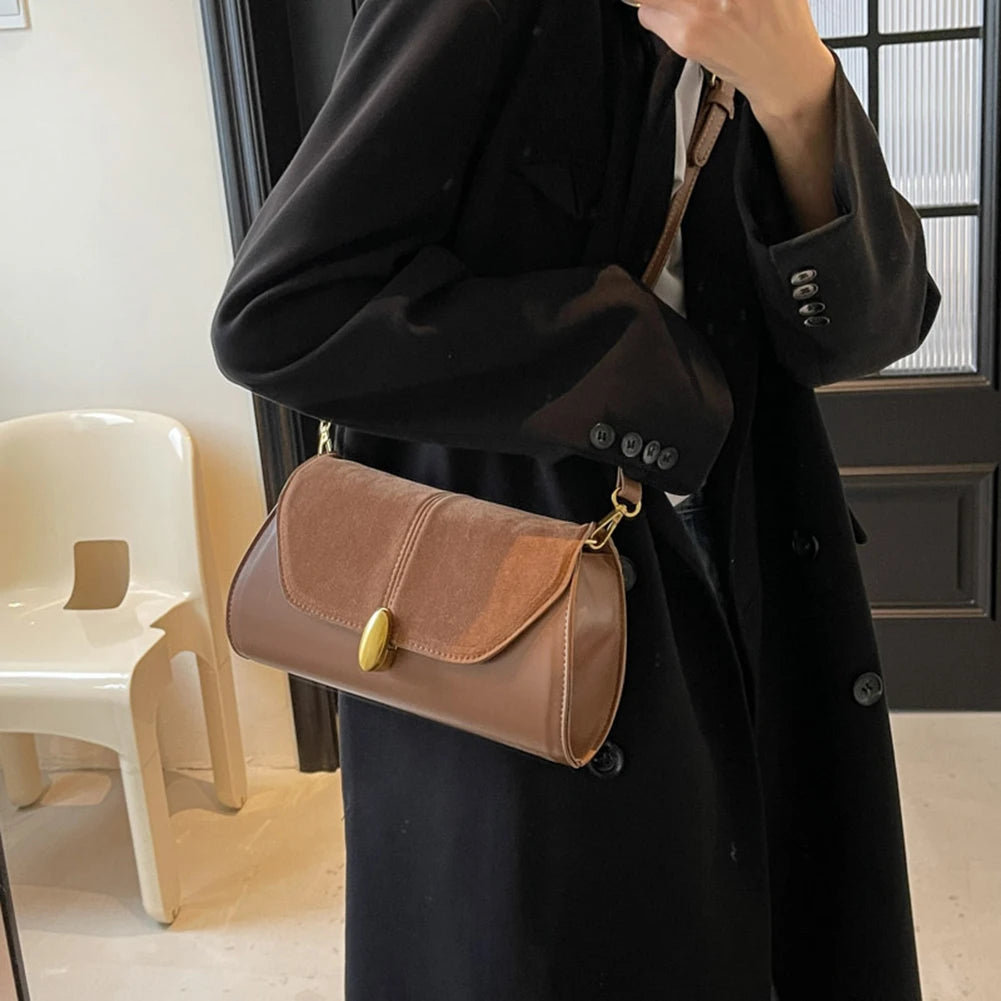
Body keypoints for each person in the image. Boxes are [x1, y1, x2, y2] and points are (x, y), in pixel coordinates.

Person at [210, 1, 942, 998]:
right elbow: (279, 316)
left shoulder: (756, 21)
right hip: (515, 615)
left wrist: (796, 91)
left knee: (762, 921)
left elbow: (865, 329)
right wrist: (638, 362)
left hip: (746, 570)